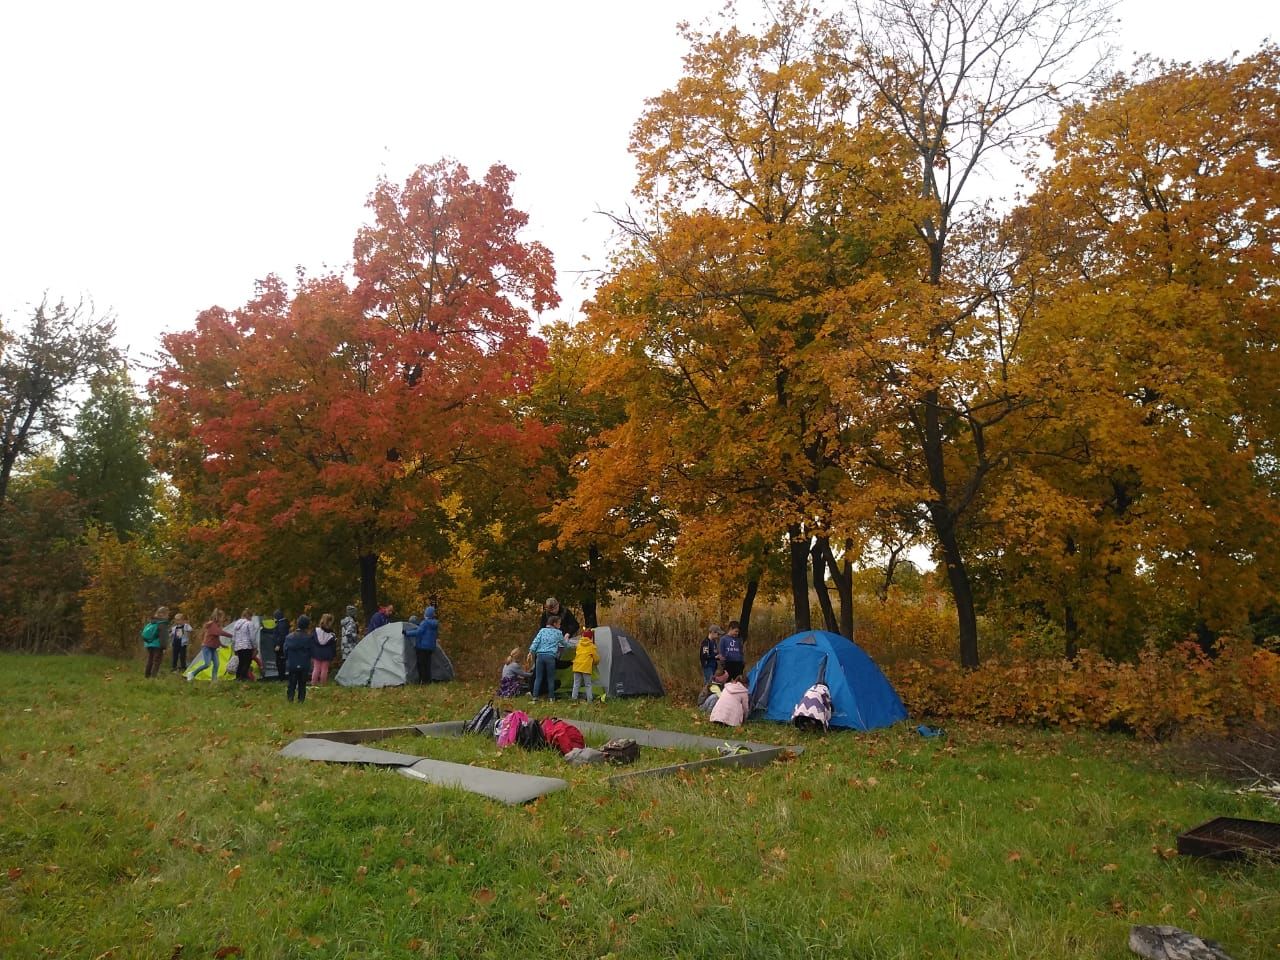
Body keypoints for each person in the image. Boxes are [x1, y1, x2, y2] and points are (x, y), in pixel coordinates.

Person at [528, 614, 564, 702]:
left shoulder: (542, 631)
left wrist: (531, 652)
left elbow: (536, 641)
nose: (560, 625)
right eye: (559, 623)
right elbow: (564, 644)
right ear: (554, 624)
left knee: (538, 677)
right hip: (550, 657)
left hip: (540, 656)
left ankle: (535, 697)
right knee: (550, 678)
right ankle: (551, 697)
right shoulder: (558, 633)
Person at [189, 609, 231, 681]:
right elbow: (218, 633)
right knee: (207, 664)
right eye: (222, 617)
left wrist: (221, 645)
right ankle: (192, 673)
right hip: (207, 647)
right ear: (218, 617)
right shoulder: (212, 624)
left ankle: (214, 680)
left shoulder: (218, 625)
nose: (223, 619)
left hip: (213, 648)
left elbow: (216, 638)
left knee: (216, 664)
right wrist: (231, 635)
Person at [403, 605, 439, 684]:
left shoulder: (425, 623)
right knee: (427, 664)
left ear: (426, 614)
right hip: (430, 648)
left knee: (421, 665)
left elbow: (418, 632)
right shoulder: (435, 624)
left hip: (422, 647)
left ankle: (423, 680)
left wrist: (406, 633)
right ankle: (428, 680)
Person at [284, 614, 314, 703]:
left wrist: (288, 658)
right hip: (304, 664)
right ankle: (301, 700)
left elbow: (285, 650)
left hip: (292, 663)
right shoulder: (308, 638)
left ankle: (290, 698)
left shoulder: (289, 637)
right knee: (302, 683)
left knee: (291, 683)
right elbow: (311, 651)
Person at [569, 627, 600, 702]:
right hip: (586, 667)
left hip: (577, 666)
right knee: (588, 684)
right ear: (590, 637)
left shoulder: (579, 644)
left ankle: (574, 698)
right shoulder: (591, 646)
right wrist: (596, 663)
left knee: (576, 684)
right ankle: (590, 700)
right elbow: (596, 658)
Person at [229, 608, 257, 682]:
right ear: (248, 616)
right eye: (251, 616)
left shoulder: (236, 624)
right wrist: (255, 647)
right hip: (247, 646)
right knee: (247, 662)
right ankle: (243, 678)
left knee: (241, 662)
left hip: (238, 647)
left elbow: (233, 637)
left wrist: (234, 647)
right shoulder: (249, 623)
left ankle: (238, 678)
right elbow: (252, 637)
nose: (251, 618)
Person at [142, 606, 170, 678]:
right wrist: (164, 647)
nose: (168, 616)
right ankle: (153, 677)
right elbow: (163, 637)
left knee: (150, 660)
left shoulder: (152, 622)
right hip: (158, 645)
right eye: (167, 614)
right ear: (164, 614)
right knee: (156, 661)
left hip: (149, 644)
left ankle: (147, 675)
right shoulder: (162, 623)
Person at [261, 609, 289, 680]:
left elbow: (282, 636)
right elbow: (276, 633)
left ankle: (281, 678)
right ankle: (281, 677)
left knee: (280, 662)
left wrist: (278, 645)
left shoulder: (282, 624)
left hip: (280, 647)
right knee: (280, 662)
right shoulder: (281, 623)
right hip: (281, 646)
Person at [311, 613, 336, 685]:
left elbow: (311, 641)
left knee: (316, 668)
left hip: (317, 652)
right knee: (324, 669)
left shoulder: (316, 631)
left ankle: (314, 683)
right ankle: (323, 683)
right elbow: (333, 646)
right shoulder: (331, 635)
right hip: (327, 653)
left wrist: (312, 652)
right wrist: (333, 654)